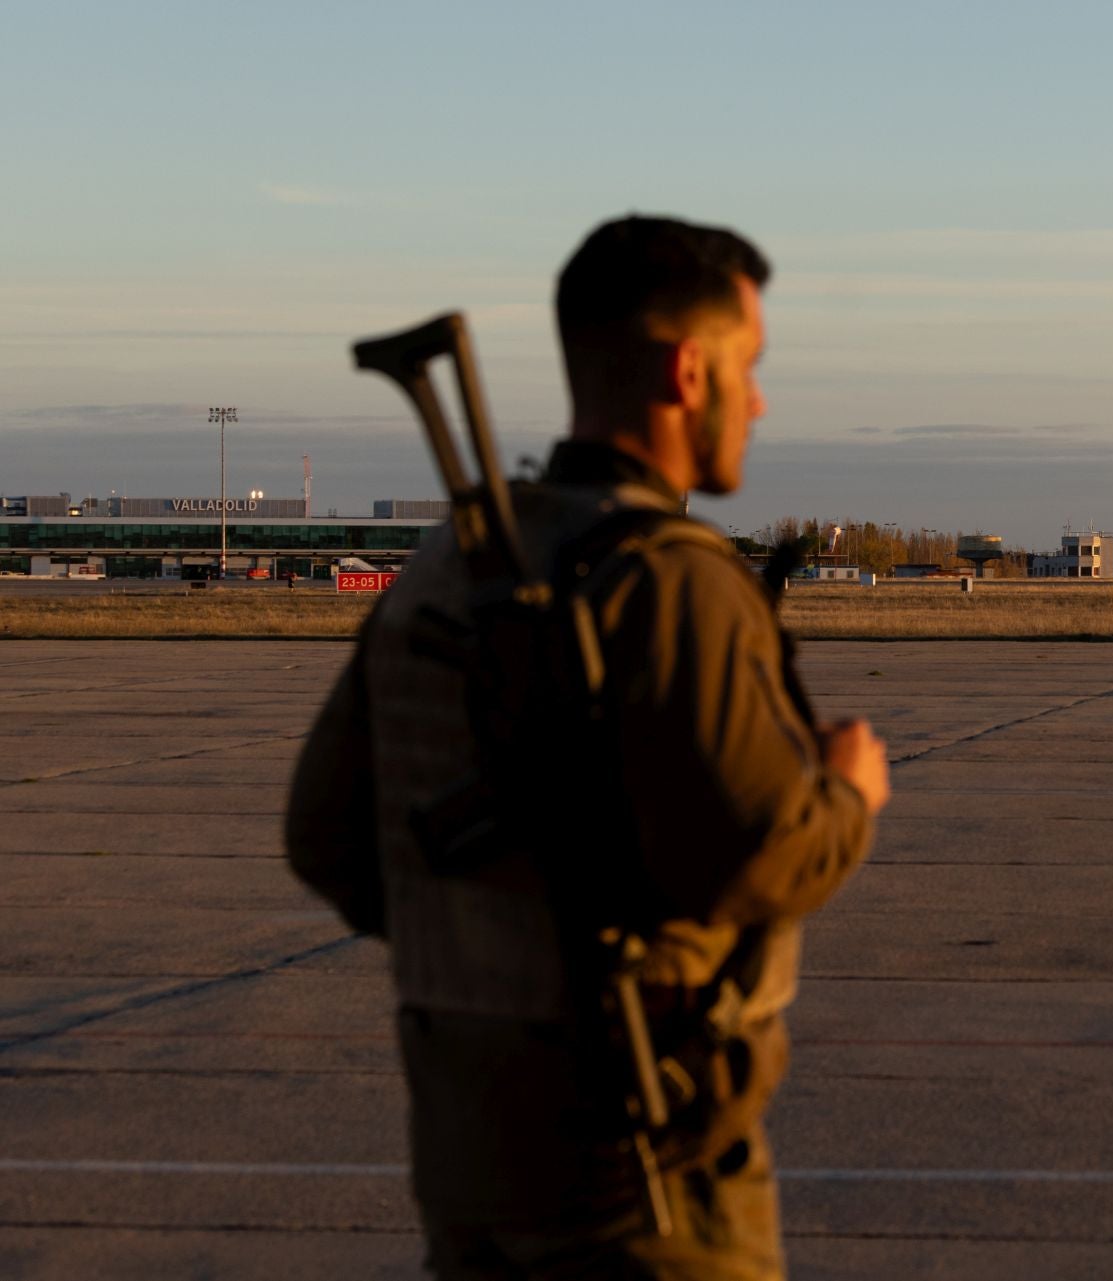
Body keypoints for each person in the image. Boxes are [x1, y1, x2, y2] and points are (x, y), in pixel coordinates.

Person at [285, 215, 890, 1280]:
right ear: (685, 369)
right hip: (641, 1182)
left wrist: (512, 935)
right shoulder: (671, 580)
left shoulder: (443, 572)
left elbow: (328, 839)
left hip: (469, 1155)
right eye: (748, 368)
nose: (758, 401)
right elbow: (757, 855)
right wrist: (848, 793)